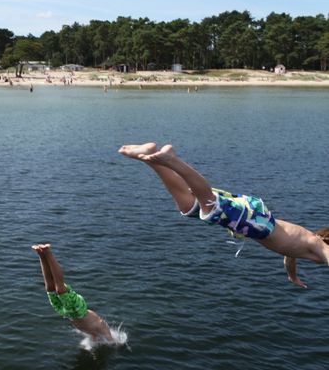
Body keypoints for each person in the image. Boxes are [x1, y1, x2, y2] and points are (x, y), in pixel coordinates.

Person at [119, 142, 329, 289]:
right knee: (210, 204)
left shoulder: (304, 245)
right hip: (259, 223)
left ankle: (149, 156)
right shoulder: (317, 244)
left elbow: (289, 259)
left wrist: (293, 277)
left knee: (189, 206)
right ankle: (172, 160)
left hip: (257, 220)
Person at [32, 244, 115, 344]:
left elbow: (92, 337)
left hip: (66, 313)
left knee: (50, 288)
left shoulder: (94, 335)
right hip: (79, 310)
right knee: (60, 289)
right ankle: (48, 252)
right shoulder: (107, 335)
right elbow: (107, 334)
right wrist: (115, 344)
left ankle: (41, 254)